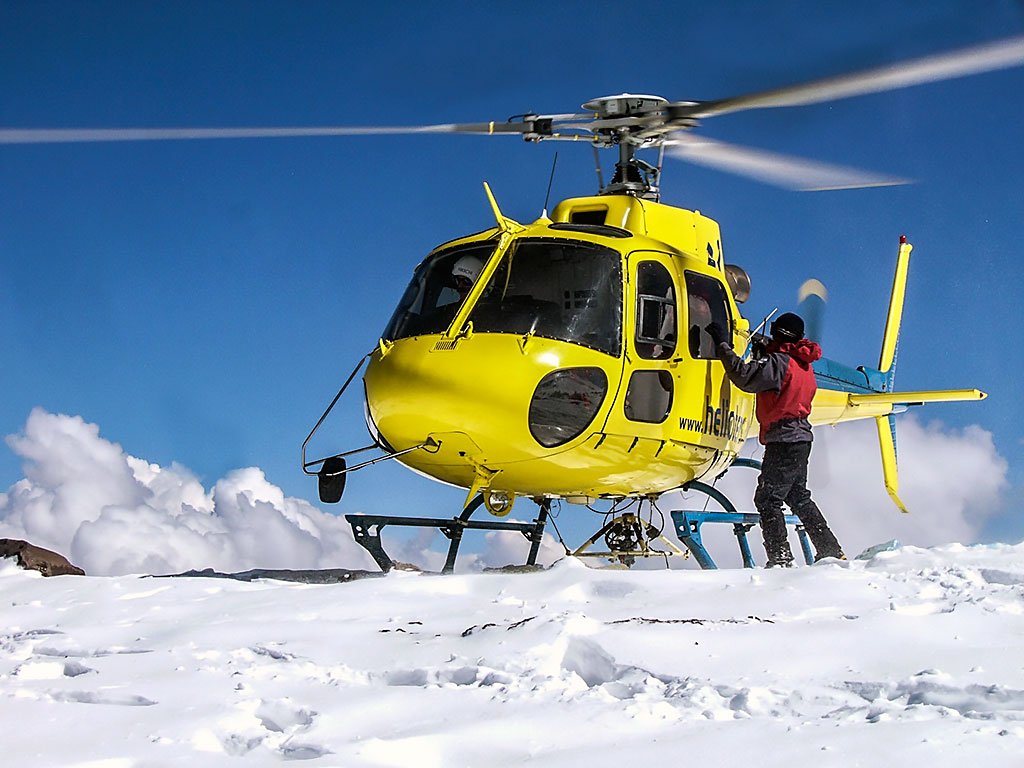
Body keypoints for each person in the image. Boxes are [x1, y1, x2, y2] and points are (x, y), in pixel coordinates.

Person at [706, 312, 845, 567]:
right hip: (801, 438)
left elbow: (743, 376)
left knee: (767, 499)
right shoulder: (802, 364)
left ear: (779, 333)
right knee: (798, 496)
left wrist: (722, 343)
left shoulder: (779, 362)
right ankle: (830, 549)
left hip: (784, 439)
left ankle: (780, 557)